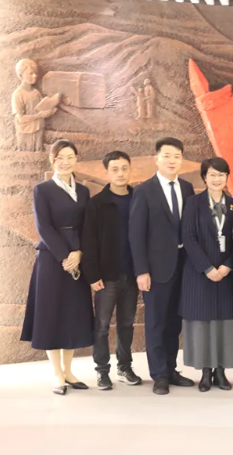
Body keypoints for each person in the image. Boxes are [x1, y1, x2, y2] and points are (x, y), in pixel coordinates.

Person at [21, 139, 93, 395]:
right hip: (52, 259)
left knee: (72, 313)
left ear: (76, 159)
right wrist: (65, 256)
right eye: (60, 157)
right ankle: (57, 374)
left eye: (70, 157)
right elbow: (43, 227)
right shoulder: (42, 189)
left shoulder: (83, 191)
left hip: (78, 256)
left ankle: (69, 371)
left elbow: (87, 225)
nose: (65, 162)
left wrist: (79, 253)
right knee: (51, 313)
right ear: (52, 160)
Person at [129, 137, 196, 395]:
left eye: (177, 156)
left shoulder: (187, 188)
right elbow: (136, 235)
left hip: (183, 266)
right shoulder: (144, 191)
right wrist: (141, 270)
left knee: (174, 322)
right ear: (156, 159)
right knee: (156, 323)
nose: (172, 160)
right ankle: (158, 375)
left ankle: (171, 369)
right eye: (167, 155)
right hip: (156, 269)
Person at [81, 151, 142, 390]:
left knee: (127, 324)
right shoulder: (97, 203)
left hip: (132, 275)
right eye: (115, 169)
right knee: (102, 325)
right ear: (106, 173)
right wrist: (92, 274)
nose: (120, 173)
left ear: (130, 170)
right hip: (106, 277)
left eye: (124, 168)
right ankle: (102, 370)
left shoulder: (138, 199)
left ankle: (124, 367)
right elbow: (88, 241)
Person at [181, 158, 233, 393]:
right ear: (204, 177)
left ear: (227, 177)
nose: (217, 179)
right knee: (202, 322)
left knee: (224, 322)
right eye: (212, 175)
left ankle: (221, 371)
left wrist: (227, 266)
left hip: (226, 274)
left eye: (221, 175)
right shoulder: (193, 203)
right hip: (199, 273)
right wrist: (207, 268)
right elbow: (188, 237)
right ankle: (205, 372)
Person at [11, 59, 57, 152]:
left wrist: (50, 109)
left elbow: (41, 108)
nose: (35, 75)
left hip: (38, 129)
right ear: (21, 75)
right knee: (27, 154)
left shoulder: (36, 92)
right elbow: (20, 119)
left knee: (38, 152)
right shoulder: (18, 94)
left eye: (35, 73)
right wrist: (40, 115)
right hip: (26, 132)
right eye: (31, 73)